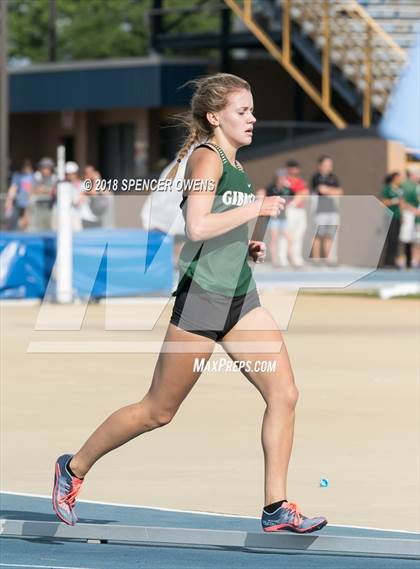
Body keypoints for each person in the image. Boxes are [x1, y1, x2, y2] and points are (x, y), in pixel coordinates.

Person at [52, 73, 328, 534]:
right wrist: (256, 210)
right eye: (243, 111)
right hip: (202, 300)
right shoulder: (206, 159)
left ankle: (276, 506)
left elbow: (215, 227)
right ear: (215, 116)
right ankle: (73, 467)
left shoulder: (235, 164)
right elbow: (197, 226)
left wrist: (243, 245)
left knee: (285, 394)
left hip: (240, 297)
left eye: (253, 110)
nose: (252, 119)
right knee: (158, 410)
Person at [310, 156, 343, 265]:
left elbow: (340, 192)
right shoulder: (316, 177)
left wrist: (329, 191)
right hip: (320, 211)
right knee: (318, 235)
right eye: (326, 164)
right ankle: (316, 259)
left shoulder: (334, 177)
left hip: (332, 211)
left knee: (329, 235)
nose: (329, 167)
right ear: (320, 165)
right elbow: (321, 190)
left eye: (330, 164)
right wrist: (331, 191)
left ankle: (328, 259)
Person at [257, 169, 293, 268]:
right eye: (280, 177)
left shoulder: (286, 189)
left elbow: (293, 196)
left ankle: (290, 259)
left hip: (283, 218)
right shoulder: (270, 188)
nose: (282, 179)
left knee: (290, 239)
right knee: (274, 239)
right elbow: (261, 193)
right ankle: (275, 261)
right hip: (273, 218)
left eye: (283, 177)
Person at [284, 159, 308, 268]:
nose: (295, 170)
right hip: (289, 210)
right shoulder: (285, 181)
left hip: (300, 210)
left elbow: (305, 194)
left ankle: (296, 258)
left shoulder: (300, 181)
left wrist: (301, 195)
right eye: (293, 167)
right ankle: (284, 258)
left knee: (299, 235)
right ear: (289, 169)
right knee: (288, 235)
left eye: (296, 167)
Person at [4, 159, 35, 231]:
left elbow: (34, 188)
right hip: (19, 202)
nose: (26, 169)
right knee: (18, 221)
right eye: (25, 167)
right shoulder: (18, 176)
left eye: (28, 167)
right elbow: (13, 188)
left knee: (27, 221)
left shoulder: (33, 176)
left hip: (29, 203)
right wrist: (9, 201)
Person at [381, 172, 403, 268]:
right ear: (394, 178)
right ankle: (387, 262)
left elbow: (402, 203)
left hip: (397, 216)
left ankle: (393, 261)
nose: (400, 179)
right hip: (390, 216)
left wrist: (402, 216)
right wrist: (394, 201)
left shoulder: (399, 190)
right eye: (398, 177)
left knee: (395, 240)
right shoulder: (387, 188)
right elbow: (384, 201)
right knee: (391, 239)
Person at [399, 169, 420, 268]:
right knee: (408, 238)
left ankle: (416, 259)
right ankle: (409, 261)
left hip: (416, 216)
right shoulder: (406, 186)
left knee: (417, 239)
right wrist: (414, 210)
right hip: (410, 215)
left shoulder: (417, 186)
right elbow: (403, 202)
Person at [29, 157, 56, 231]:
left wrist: (44, 190)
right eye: (43, 168)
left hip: (50, 209)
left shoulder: (54, 178)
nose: (45, 170)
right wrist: (46, 190)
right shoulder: (36, 177)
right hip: (37, 209)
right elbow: (32, 191)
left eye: (47, 168)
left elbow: (54, 191)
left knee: (49, 229)